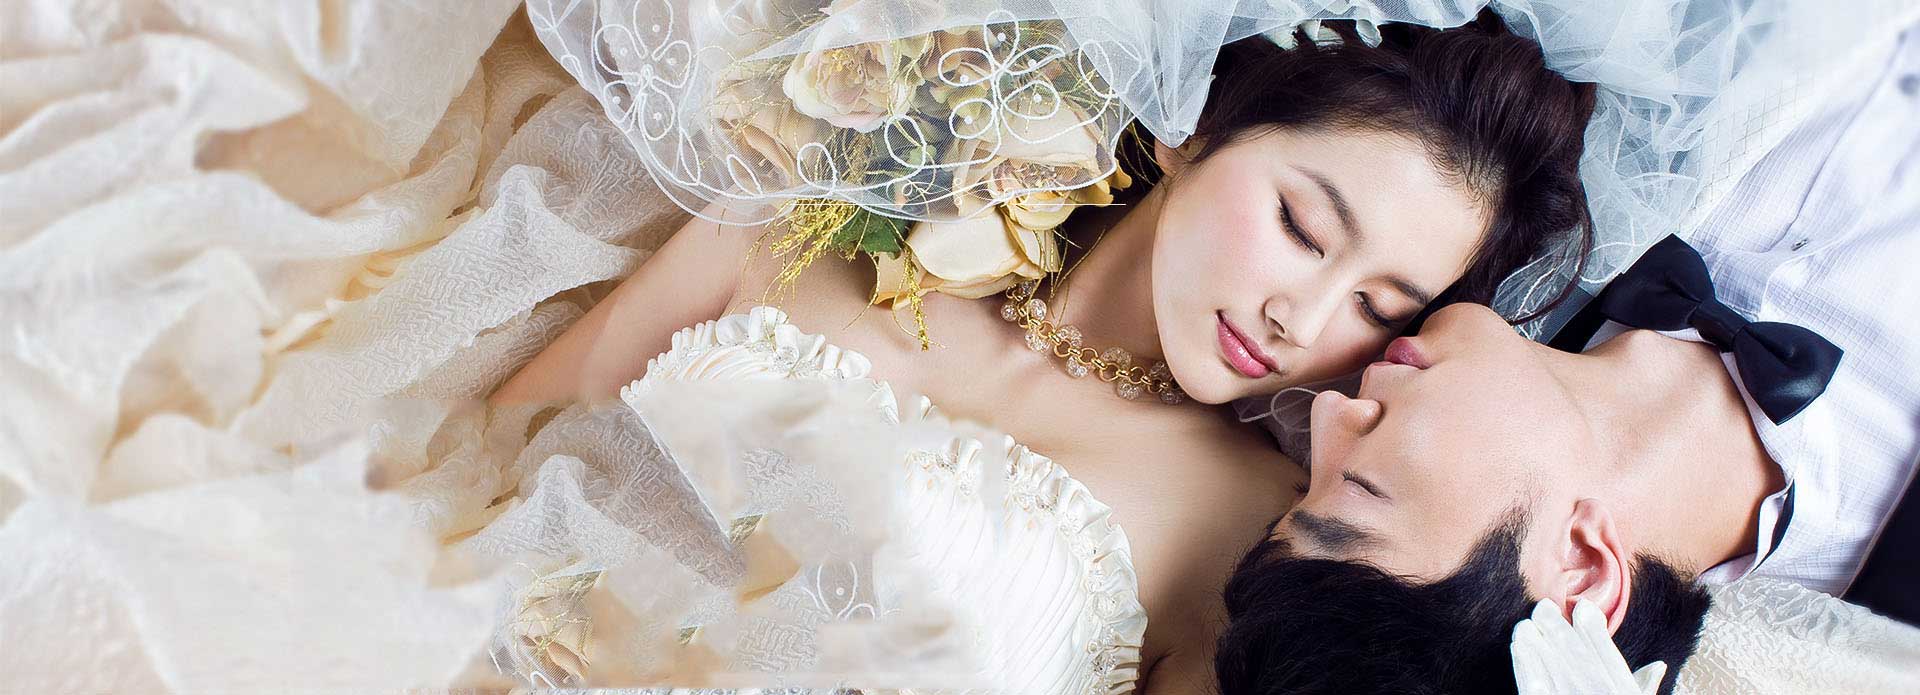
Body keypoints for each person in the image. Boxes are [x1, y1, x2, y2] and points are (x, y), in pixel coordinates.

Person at [495, 11, 1596, 690]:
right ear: (1192, 124)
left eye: (1378, 304)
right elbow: (498, 448)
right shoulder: (824, 217)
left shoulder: (1253, 533)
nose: (1300, 321)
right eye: (1302, 227)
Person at [1215, 21, 1920, 695]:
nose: (1330, 412)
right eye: (1360, 486)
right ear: (1581, 567)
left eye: (1303, 487)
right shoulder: (1888, 599)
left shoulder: (1477, 202)